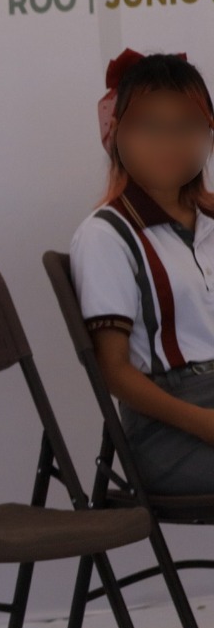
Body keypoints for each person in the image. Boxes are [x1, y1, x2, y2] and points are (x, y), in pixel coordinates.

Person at [71, 49, 214, 494]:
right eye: (150, 126)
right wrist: (205, 423)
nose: (169, 141)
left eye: (187, 126)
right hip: (171, 428)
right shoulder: (107, 234)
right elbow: (113, 370)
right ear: (118, 134)